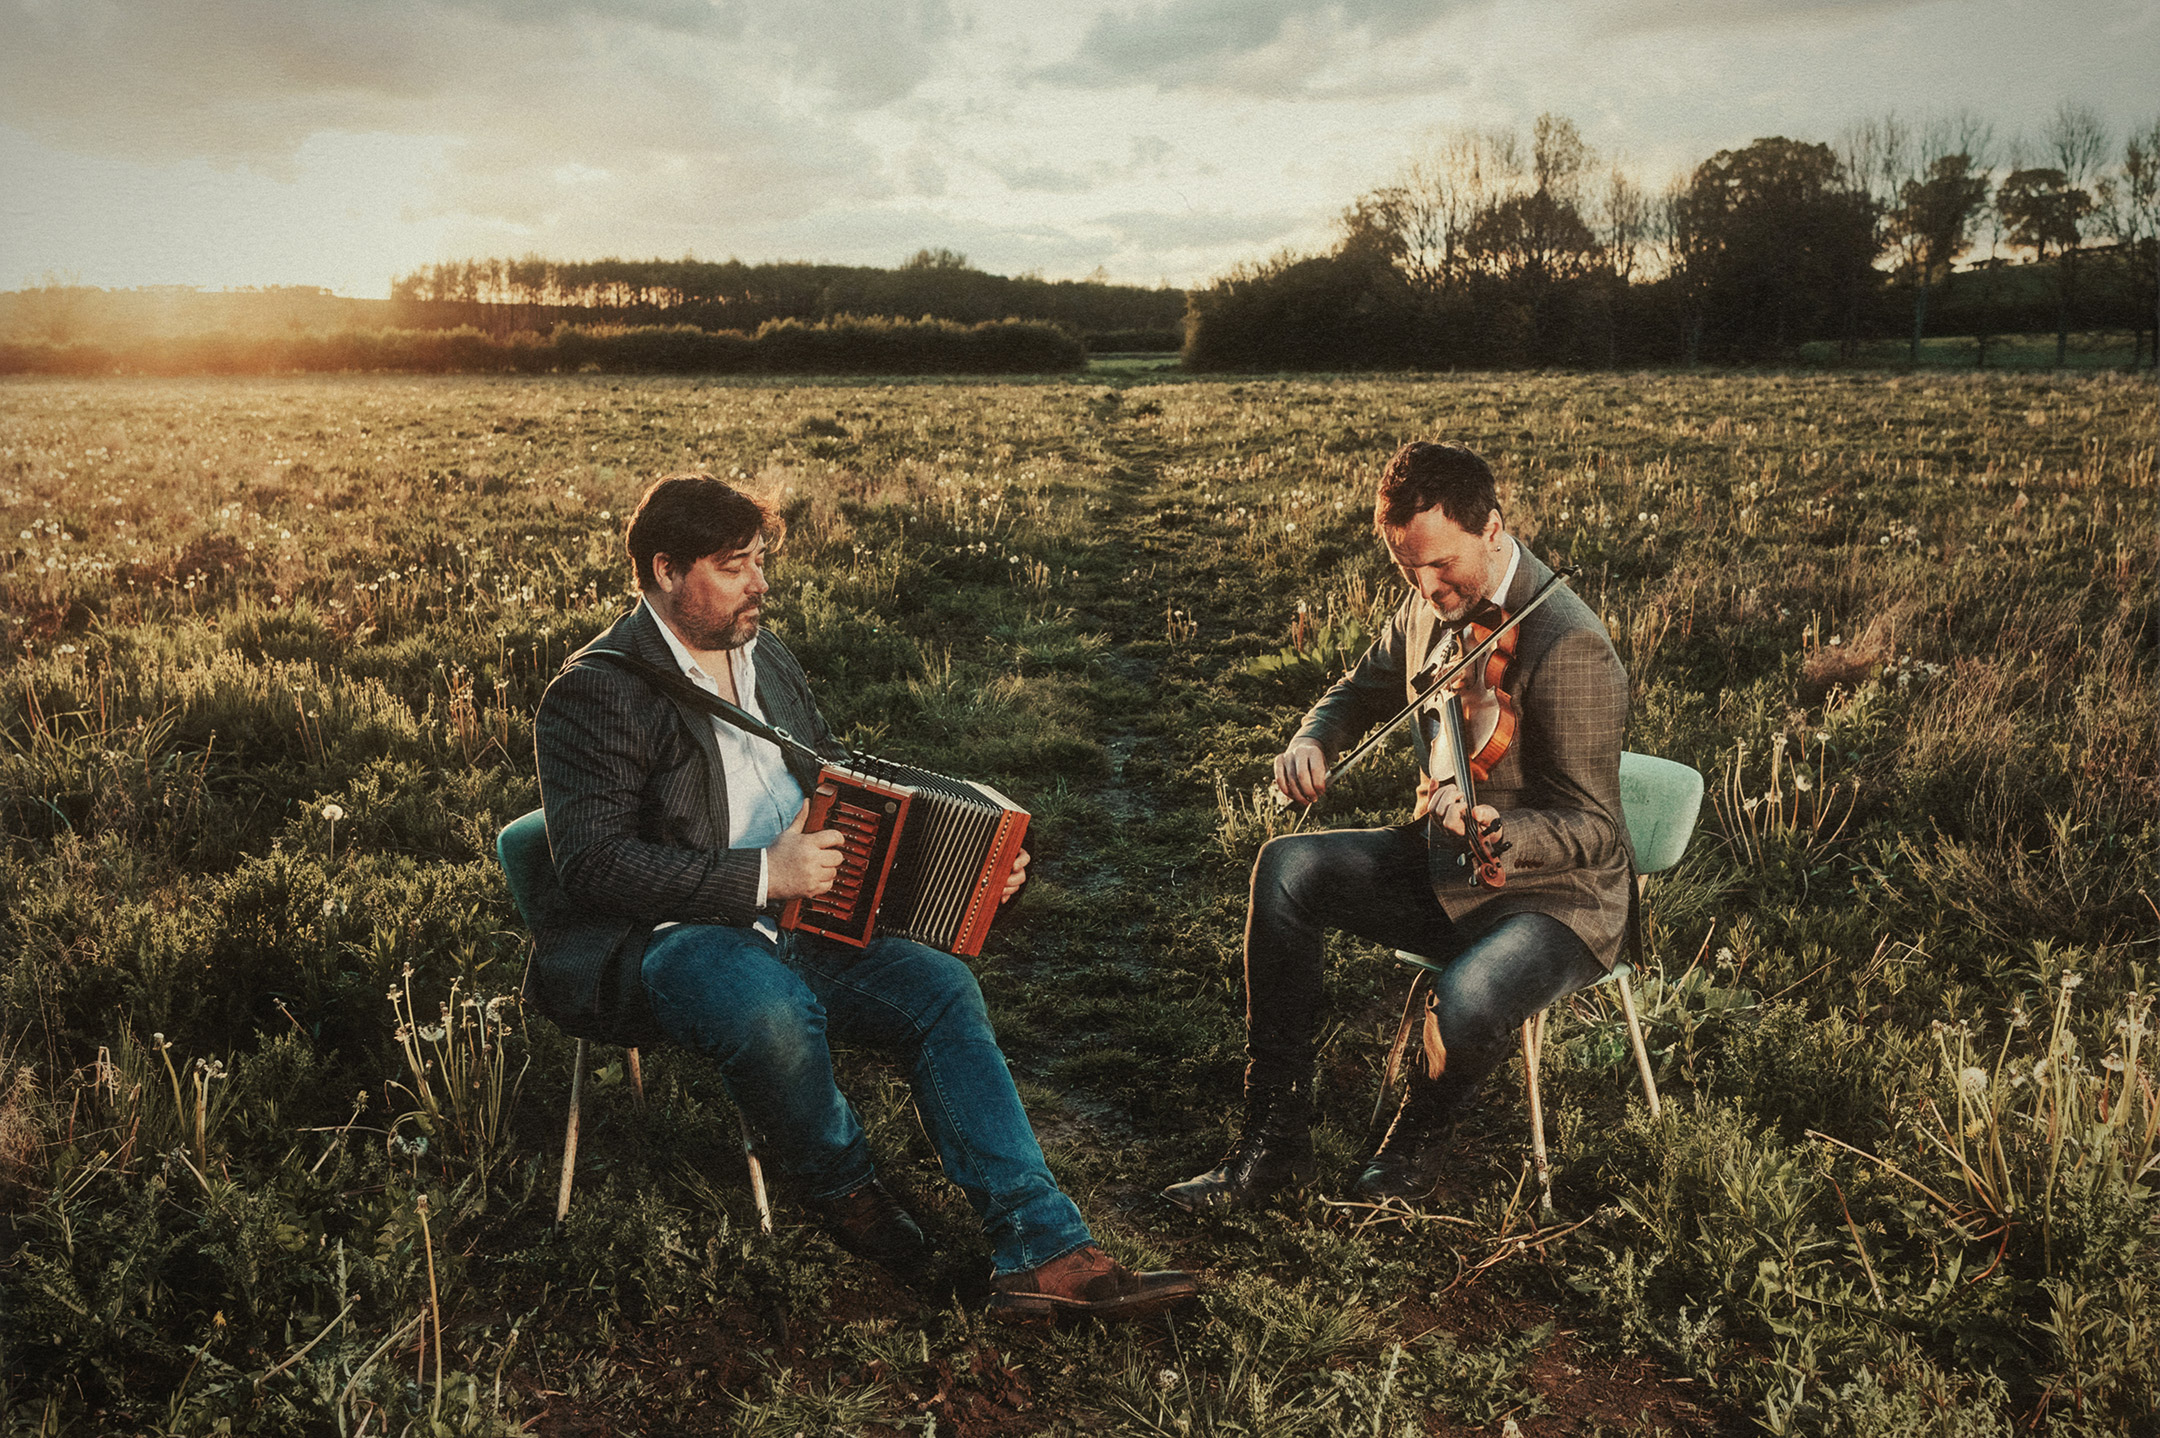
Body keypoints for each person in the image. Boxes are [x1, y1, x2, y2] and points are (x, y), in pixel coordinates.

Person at [535, 474, 1197, 1319]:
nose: (759, 585)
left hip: (810, 907)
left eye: (760, 561)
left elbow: (830, 767)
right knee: (769, 1010)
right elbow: (593, 866)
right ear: (665, 570)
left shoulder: (763, 652)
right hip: (680, 934)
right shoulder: (595, 690)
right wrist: (763, 875)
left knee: (940, 988)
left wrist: (973, 849)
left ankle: (1042, 1249)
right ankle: (841, 1183)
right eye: (734, 567)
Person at [1164, 441, 1632, 1210]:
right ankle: (1271, 1145)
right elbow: (1356, 689)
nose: (1426, 587)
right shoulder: (1428, 601)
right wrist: (1313, 739)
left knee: (1468, 993)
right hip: (1446, 864)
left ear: (1492, 528)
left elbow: (1597, 829)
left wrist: (1502, 830)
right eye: (1408, 568)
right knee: (1288, 868)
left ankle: (1413, 1141)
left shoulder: (1569, 641)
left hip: (1555, 899)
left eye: (1441, 564)